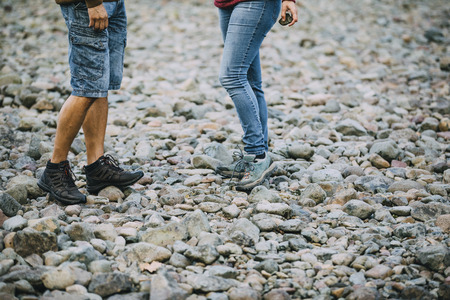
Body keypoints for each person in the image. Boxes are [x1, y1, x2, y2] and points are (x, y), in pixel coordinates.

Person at [38, 0, 143, 205]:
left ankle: (97, 166)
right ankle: (55, 168)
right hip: (86, 5)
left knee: (99, 85)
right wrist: (93, 2)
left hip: (110, 3)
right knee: (86, 86)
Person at [214, 0, 298, 191]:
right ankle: (259, 158)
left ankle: (256, 153)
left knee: (232, 76)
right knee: (250, 80)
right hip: (226, 3)